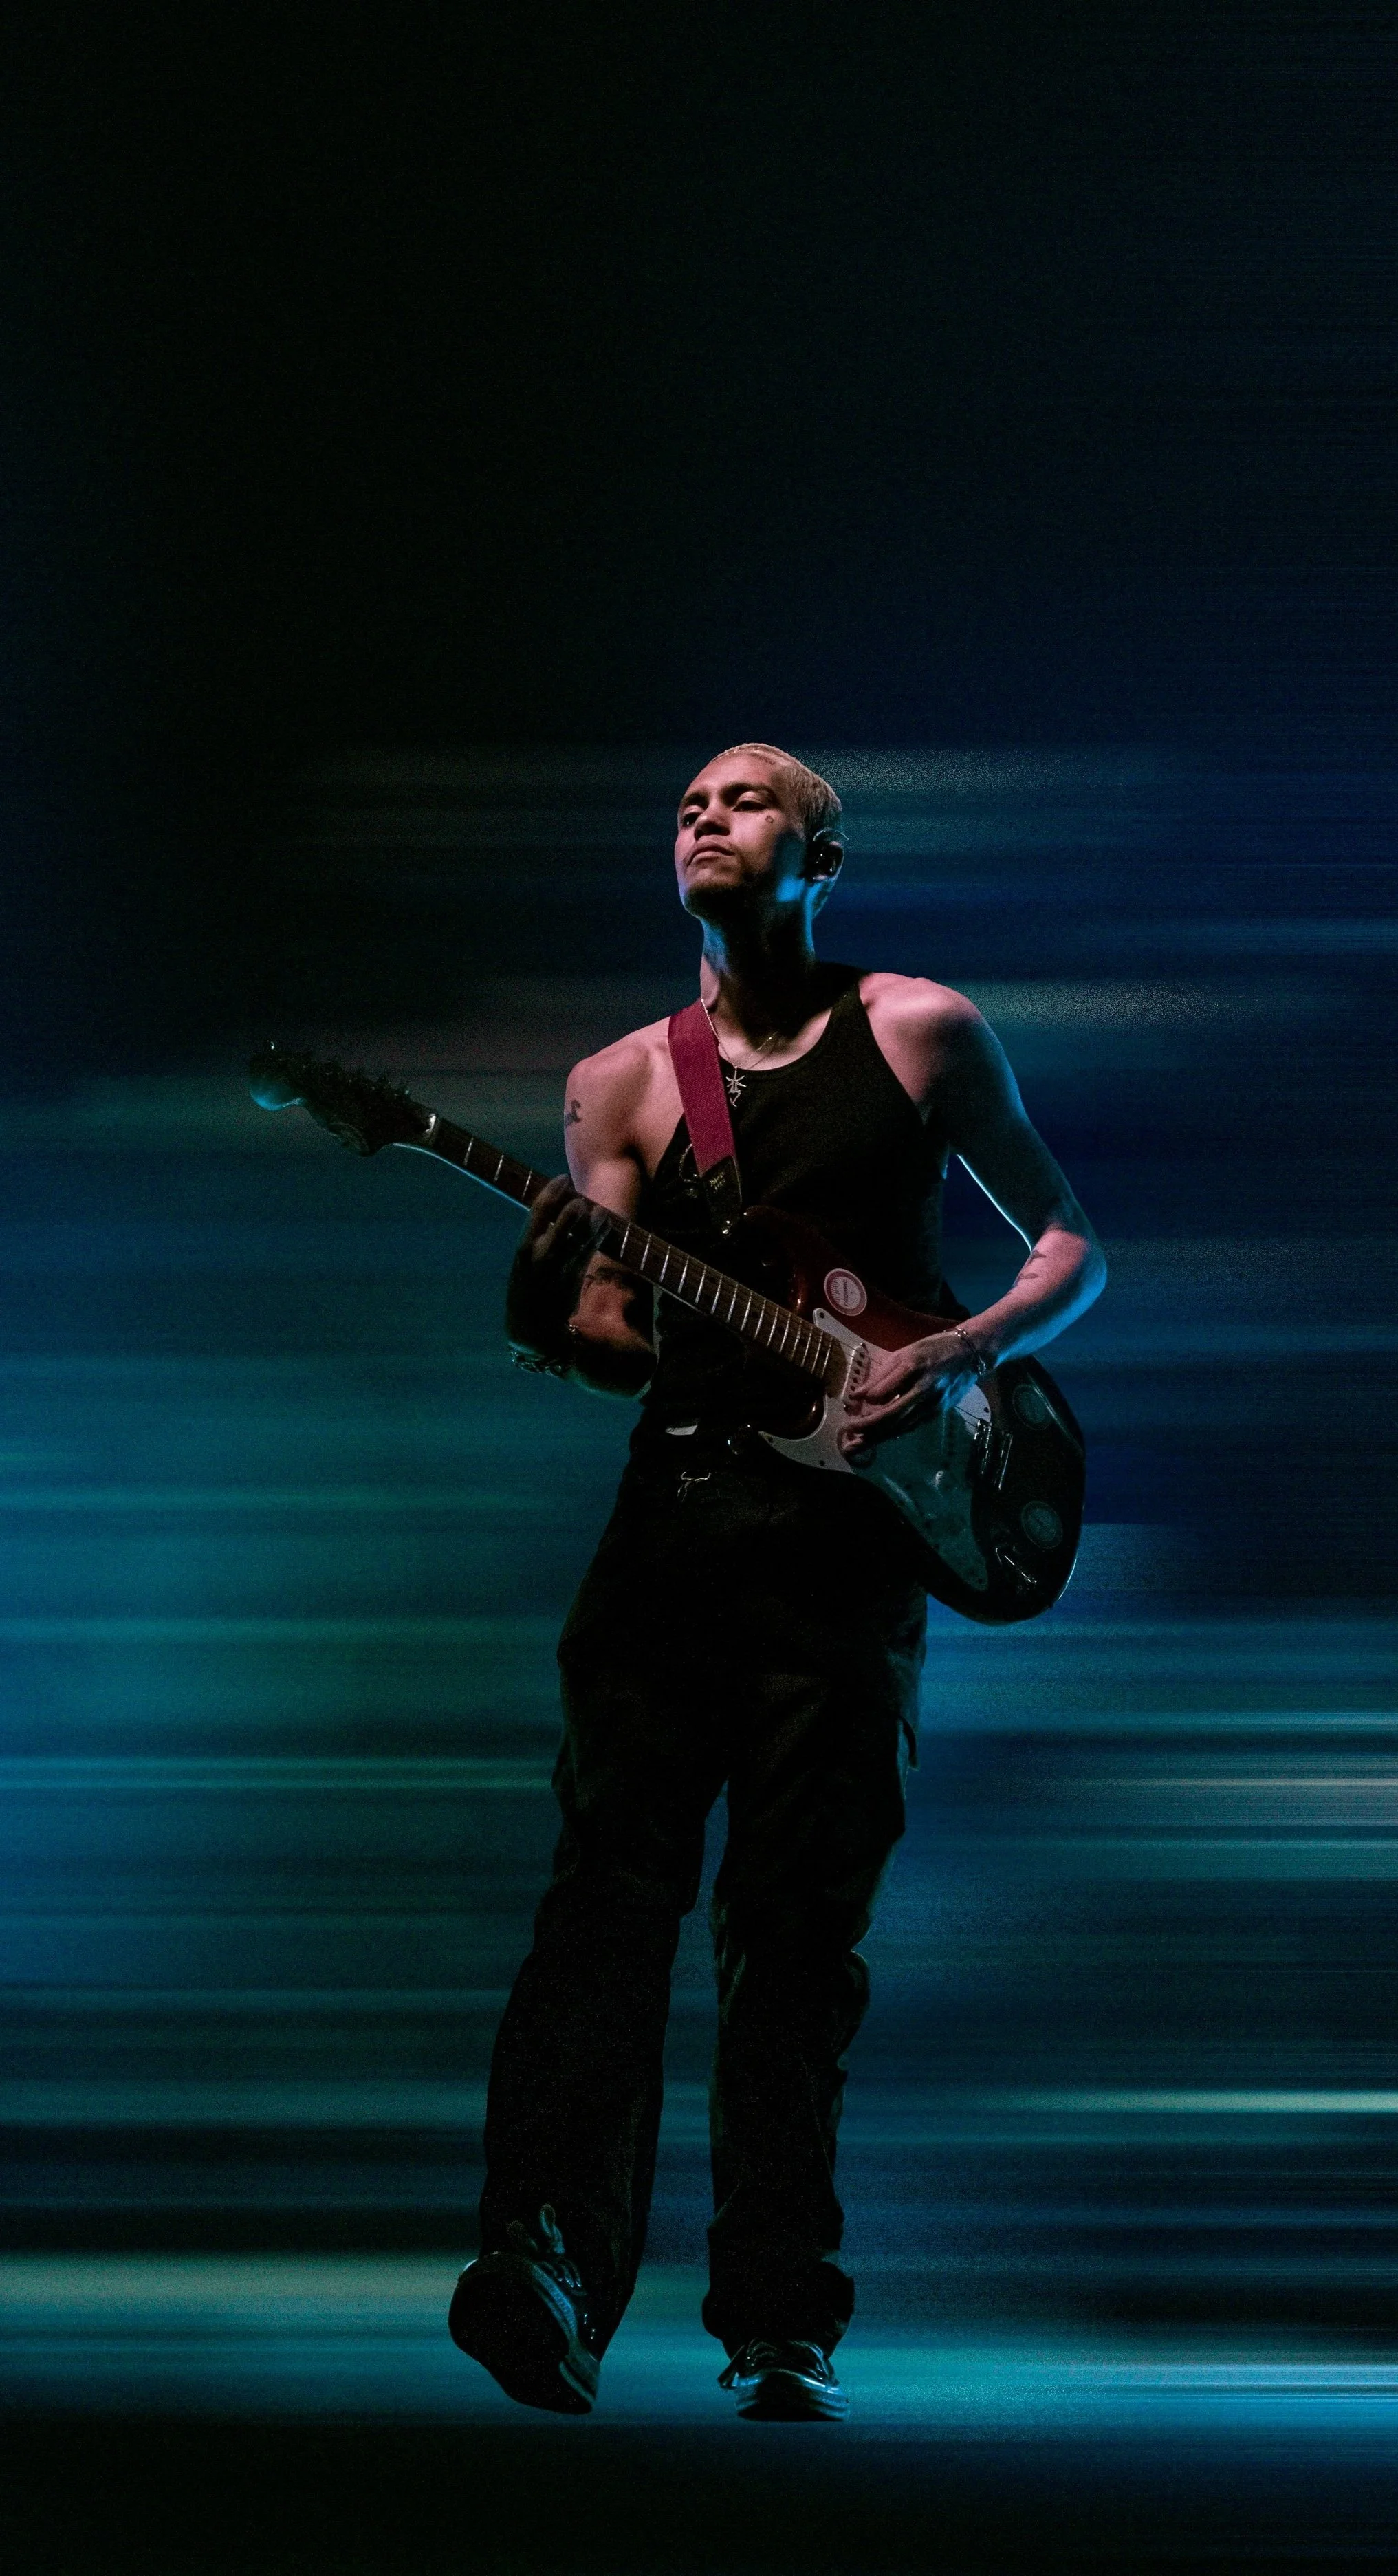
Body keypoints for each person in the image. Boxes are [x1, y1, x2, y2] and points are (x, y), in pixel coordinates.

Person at [448, 743, 1106, 2421]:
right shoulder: (620, 1084)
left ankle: (776, 2315)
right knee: (606, 1900)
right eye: (682, 804)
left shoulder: (917, 1031)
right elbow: (609, 1340)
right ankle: (542, 2264)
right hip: (672, 1524)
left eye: (741, 802)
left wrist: (953, 1348)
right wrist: (562, 1321)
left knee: (795, 1938)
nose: (700, 818)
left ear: (819, 854)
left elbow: (1066, 1241)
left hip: (851, 1546)